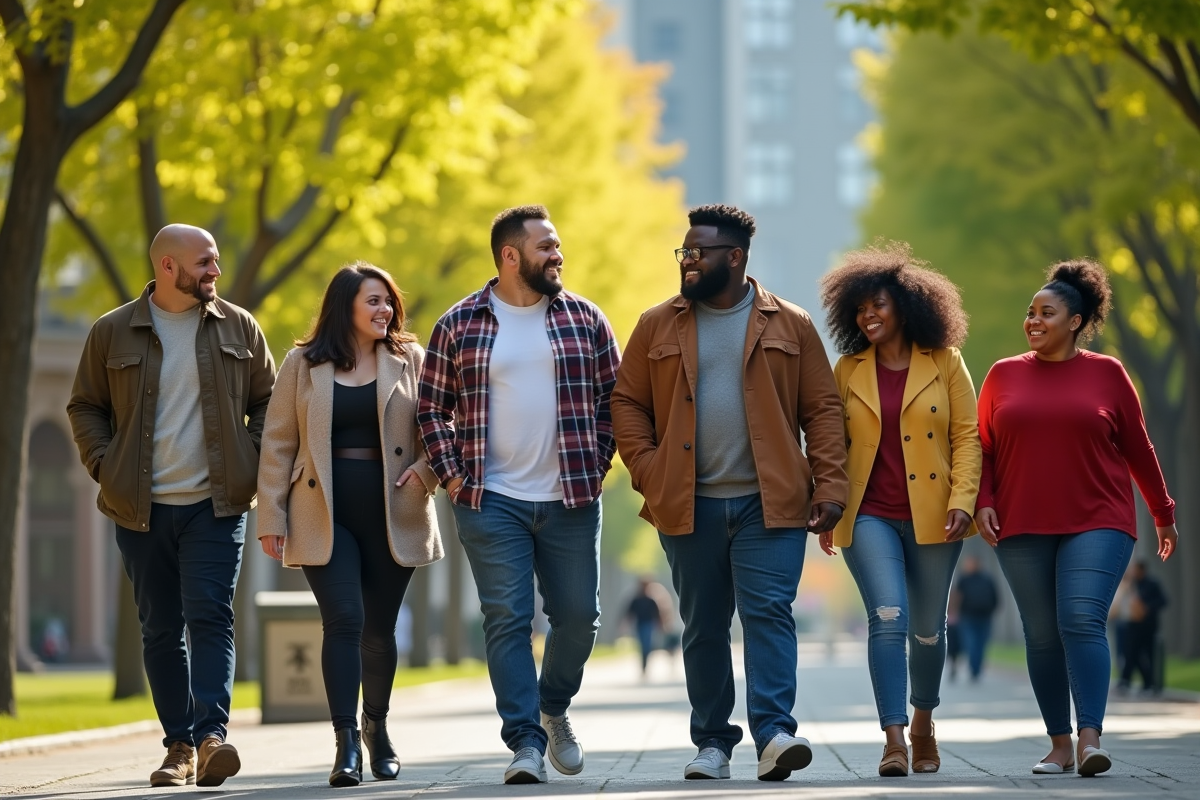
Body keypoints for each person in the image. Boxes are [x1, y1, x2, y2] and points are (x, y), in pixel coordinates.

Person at [612, 204, 848, 782]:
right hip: (687, 502)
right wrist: (648, 469)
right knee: (703, 623)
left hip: (772, 503)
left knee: (769, 613)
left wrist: (831, 484)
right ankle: (713, 743)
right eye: (684, 253)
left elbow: (821, 409)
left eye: (699, 253)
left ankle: (774, 733)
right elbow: (625, 404)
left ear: (735, 258)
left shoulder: (790, 323)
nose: (688, 262)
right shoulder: (656, 324)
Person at [417, 205, 620, 784]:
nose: (557, 255)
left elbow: (617, 399)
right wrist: (454, 477)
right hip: (490, 498)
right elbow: (431, 407)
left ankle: (552, 706)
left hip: (572, 498)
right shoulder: (459, 323)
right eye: (545, 247)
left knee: (580, 618)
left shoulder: (585, 319)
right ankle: (525, 743)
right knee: (507, 618)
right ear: (510, 256)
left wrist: (599, 460)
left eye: (557, 246)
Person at [67, 224, 275, 788]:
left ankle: (212, 738)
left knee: (211, 616)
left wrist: (247, 463)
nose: (215, 271)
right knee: (160, 627)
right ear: (167, 267)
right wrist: (105, 466)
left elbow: (270, 406)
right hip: (141, 508)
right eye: (205, 262)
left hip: (216, 505)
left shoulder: (240, 327)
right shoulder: (112, 332)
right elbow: (85, 405)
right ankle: (178, 747)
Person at [975, 259, 1179, 777]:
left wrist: (1163, 513)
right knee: (1041, 633)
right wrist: (983, 501)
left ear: (1076, 320)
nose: (1033, 320)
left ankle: (1090, 739)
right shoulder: (1002, 374)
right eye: (1030, 313)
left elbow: (1138, 447)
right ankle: (1059, 744)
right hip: (1021, 523)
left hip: (1099, 518)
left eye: (1047, 312)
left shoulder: (1108, 373)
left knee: (1080, 619)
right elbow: (983, 449)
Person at [256, 263, 442, 787]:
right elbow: (277, 443)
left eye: (388, 301)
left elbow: (440, 424)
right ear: (346, 306)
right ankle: (344, 745)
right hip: (321, 513)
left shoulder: (411, 359)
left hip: (394, 511)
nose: (385, 310)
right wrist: (271, 514)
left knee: (378, 632)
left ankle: (375, 729)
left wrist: (426, 473)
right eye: (374, 300)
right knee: (343, 619)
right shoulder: (302, 363)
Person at [817, 241, 980, 777]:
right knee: (888, 618)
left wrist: (963, 500)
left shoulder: (946, 362)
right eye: (860, 308)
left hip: (937, 514)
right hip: (868, 515)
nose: (868, 315)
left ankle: (923, 722)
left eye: (878, 305)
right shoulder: (847, 369)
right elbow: (830, 444)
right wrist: (828, 502)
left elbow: (967, 437)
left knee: (928, 630)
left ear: (907, 307)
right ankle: (892, 740)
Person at [1119, 561, 1168, 694]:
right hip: (1133, 625)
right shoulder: (1131, 585)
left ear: (1142, 570)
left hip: (1148, 626)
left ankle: (1151, 684)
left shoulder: (1152, 584)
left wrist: (1147, 607)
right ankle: (1126, 681)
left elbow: (1163, 601)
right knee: (1130, 653)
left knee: (1149, 655)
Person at [952, 555, 1000, 683]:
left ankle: (977, 669)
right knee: (971, 643)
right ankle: (974, 668)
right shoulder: (963, 579)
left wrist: (992, 609)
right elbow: (957, 597)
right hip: (967, 617)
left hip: (985, 616)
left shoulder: (987, 578)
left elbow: (995, 596)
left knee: (982, 643)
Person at [624, 577, 667, 676]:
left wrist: (661, 624)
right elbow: (629, 612)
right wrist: (625, 623)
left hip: (649, 625)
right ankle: (643, 664)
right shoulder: (636, 599)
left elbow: (657, 613)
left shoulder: (651, 600)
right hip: (639, 624)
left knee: (646, 645)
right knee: (642, 645)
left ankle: (645, 665)